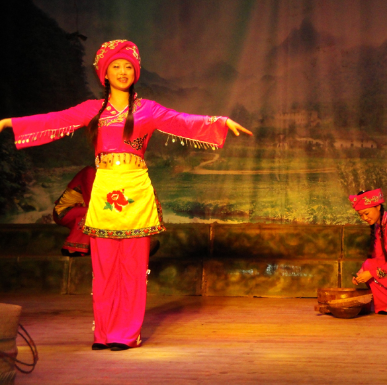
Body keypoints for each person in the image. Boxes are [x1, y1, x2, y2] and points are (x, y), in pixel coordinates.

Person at [0, 39, 252, 351]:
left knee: (133, 269)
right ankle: (104, 334)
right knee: (103, 268)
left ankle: (126, 334)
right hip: (105, 189)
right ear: (104, 74)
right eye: (116, 66)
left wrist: (220, 122)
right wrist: (9, 122)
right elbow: (55, 119)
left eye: (128, 67)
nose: (122, 72)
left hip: (135, 189)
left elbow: (182, 121)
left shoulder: (149, 110)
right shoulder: (92, 109)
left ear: (136, 73)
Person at [53, 165, 96, 256]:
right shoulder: (90, 171)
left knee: (94, 212)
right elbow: (91, 198)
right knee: (93, 212)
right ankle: (72, 247)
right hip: (63, 212)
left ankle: (80, 247)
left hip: (77, 211)